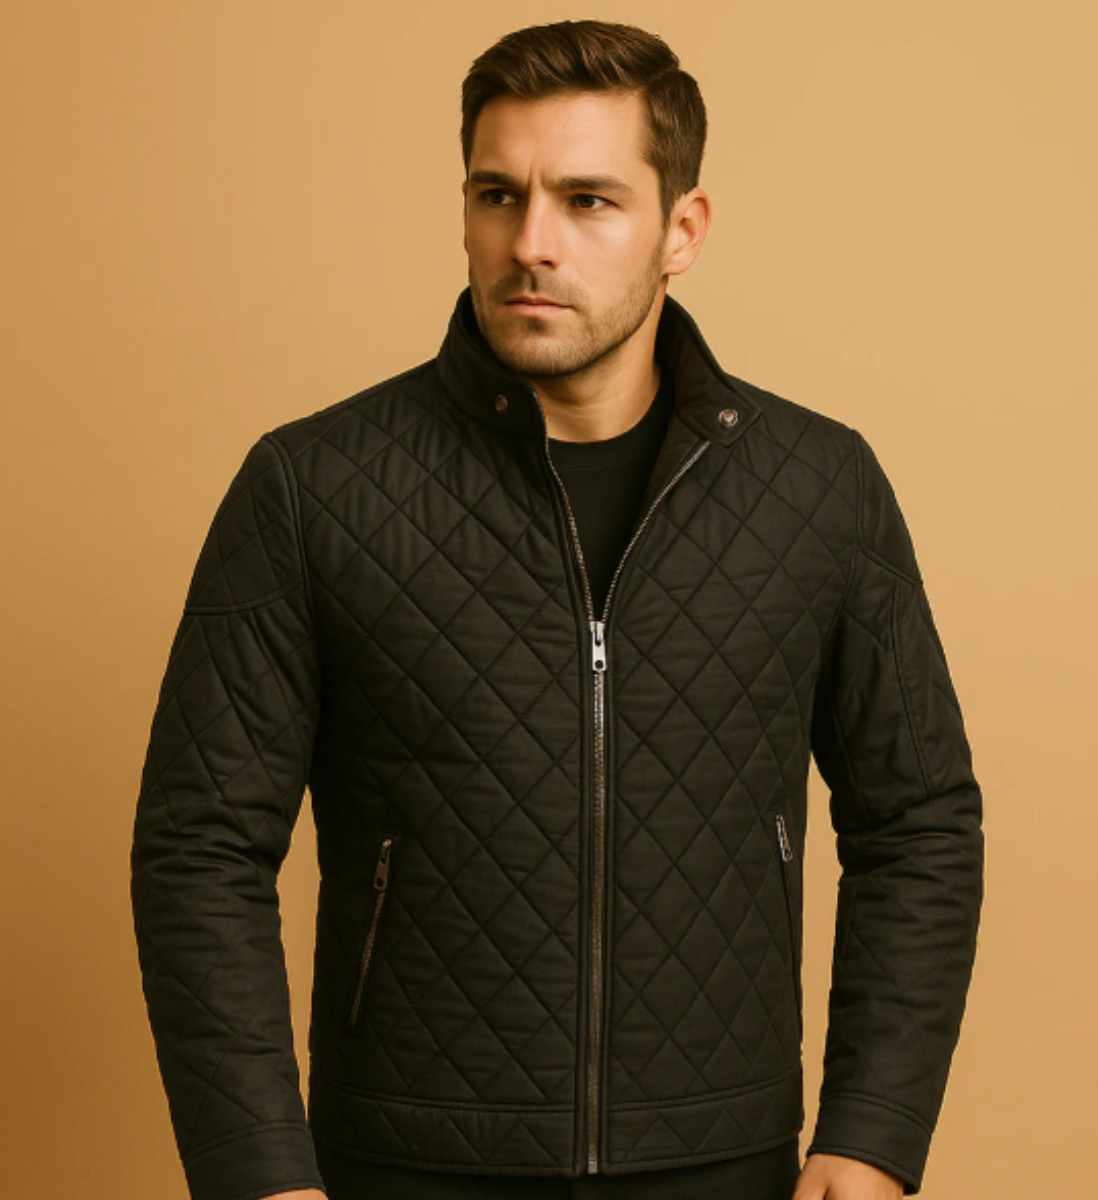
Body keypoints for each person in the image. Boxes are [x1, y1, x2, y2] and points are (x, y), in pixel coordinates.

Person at [129, 18, 985, 1200]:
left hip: (723, 1162)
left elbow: (919, 819)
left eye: (588, 201)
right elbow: (199, 847)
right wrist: (257, 1170)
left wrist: (875, 1130)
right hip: (404, 1161)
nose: (530, 243)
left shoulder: (817, 487)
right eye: (499, 194)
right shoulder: (312, 488)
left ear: (682, 228)